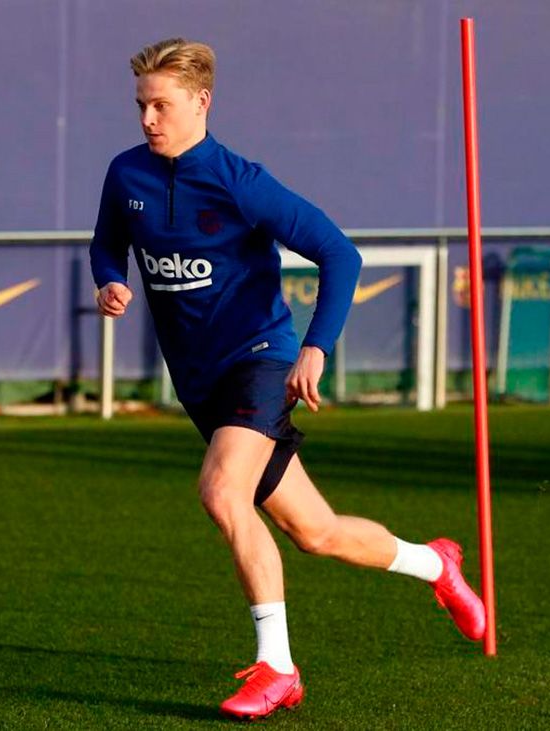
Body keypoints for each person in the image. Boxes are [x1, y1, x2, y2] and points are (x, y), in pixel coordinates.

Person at [89, 37, 486, 721]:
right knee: (317, 531)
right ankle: (436, 564)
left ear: (201, 102)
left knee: (220, 491)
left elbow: (340, 252)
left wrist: (315, 347)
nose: (148, 119)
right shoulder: (127, 175)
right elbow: (106, 243)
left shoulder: (241, 181)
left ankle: (278, 666)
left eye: (162, 105)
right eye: (141, 106)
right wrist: (110, 282)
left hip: (261, 357)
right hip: (201, 384)